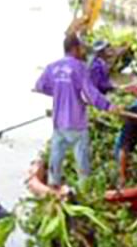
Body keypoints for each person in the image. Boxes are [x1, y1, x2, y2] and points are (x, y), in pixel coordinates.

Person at [34, 34, 113, 187]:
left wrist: (57, 91)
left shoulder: (52, 67)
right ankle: (85, 188)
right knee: (82, 160)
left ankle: (52, 186)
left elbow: (40, 86)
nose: (83, 51)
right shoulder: (79, 67)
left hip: (59, 122)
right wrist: (108, 106)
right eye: (81, 48)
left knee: (56, 156)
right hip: (76, 122)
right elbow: (91, 94)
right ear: (75, 49)